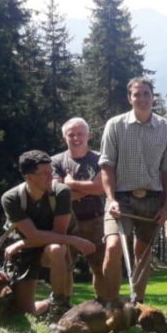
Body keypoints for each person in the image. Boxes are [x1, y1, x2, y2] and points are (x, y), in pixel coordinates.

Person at [99, 77, 167, 303]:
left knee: (142, 254)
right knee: (113, 247)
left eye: (146, 94)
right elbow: (106, 166)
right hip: (120, 199)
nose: (142, 99)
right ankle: (110, 304)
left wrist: (166, 208)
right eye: (137, 94)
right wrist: (111, 198)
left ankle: (137, 305)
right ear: (129, 98)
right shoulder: (115, 125)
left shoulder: (166, 129)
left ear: (153, 97)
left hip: (152, 199)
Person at [0, 150, 96, 322]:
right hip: (25, 253)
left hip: (48, 248)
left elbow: (58, 235)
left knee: (57, 248)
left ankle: (60, 305)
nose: (51, 176)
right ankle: (51, 304)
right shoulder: (11, 198)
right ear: (28, 177)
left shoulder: (61, 193)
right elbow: (33, 235)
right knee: (24, 312)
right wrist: (74, 240)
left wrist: (21, 243)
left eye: (51, 171)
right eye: (44, 173)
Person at [52, 117, 108, 301]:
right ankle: (63, 306)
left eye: (80, 134)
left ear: (89, 135)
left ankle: (102, 306)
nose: (76, 138)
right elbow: (57, 192)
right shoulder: (56, 162)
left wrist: (71, 183)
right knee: (65, 268)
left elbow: (102, 188)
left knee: (100, 268)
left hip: (96, 221)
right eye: (71, 135)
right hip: (66, 222)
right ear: (63, 138)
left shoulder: (100, 159)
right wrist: (89, 187)